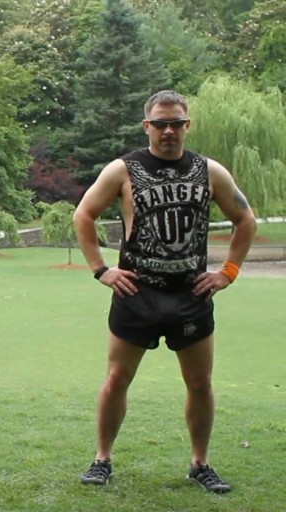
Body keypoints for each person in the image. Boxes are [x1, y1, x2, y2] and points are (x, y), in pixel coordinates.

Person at [73, 90, 256, 493]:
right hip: (136, 292)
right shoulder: (124, 169)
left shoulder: (210, 171)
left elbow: (245, 219)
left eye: (176, 123)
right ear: (147, 126)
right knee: (117, 378)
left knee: (200, 383)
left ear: (187, 125)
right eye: (160, 123)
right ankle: (102, 459)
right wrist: (101, 270)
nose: (168, 130)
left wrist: (228, 272)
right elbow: (84, 214)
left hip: (191, 295)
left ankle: (200, 463)